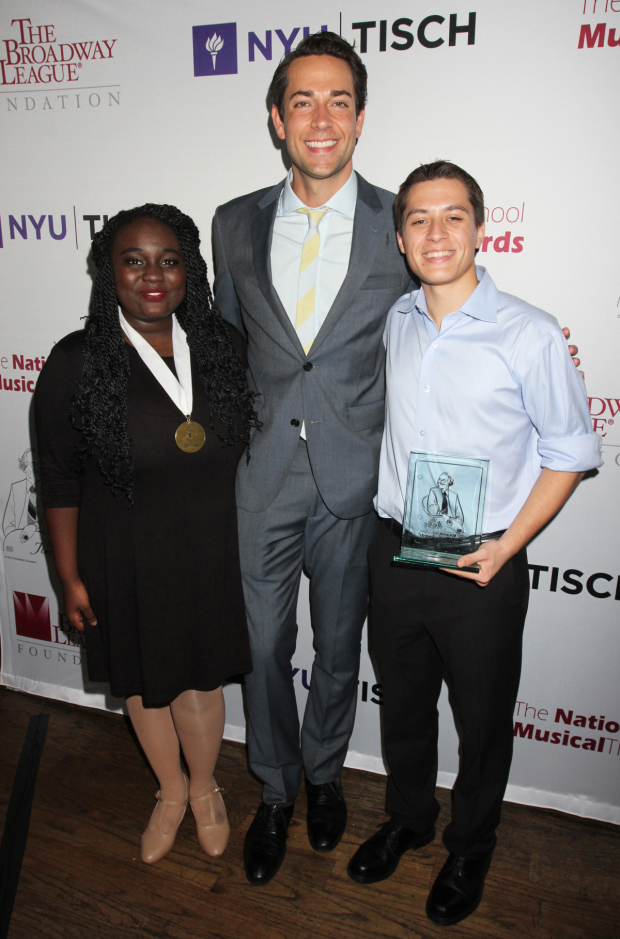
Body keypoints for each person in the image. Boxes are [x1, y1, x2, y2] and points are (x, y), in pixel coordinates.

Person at [212, 32, 583, 886]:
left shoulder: (400, 219)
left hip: (361, 485)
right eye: (303, 100)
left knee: (342, 649)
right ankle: (275, 789)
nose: (321, 118)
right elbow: (228, 345)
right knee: (263, 649)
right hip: (267, 477)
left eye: (339, 101)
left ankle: (324, 775)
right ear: (276, 118)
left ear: (360, 118)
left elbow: (462, 323)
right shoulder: (234, 222)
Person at [346, 161, 602, 926]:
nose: (436, 232)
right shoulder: (396, 320)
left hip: (481, 561)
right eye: (419, 218)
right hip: (395, 550)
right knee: (403, 707)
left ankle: (471, 844)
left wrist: (506, 545)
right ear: (400, 238)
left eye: (453, 215)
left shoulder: (530, 332)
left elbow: (570, 452)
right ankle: (410, 818)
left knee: (483, 721)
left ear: (481, 229)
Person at [34, 204, 258, 865]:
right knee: (142, 682)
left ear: (191, 270)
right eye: (133, 260)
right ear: (110, 272)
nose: (152, 275)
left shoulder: (224, 346)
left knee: (200, 682)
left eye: (169, 260)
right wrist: (69, 577)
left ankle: (205, 787)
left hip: (210, 551)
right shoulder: (76, 360)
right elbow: (58, 479)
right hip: (122, 555)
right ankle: (170, 790)